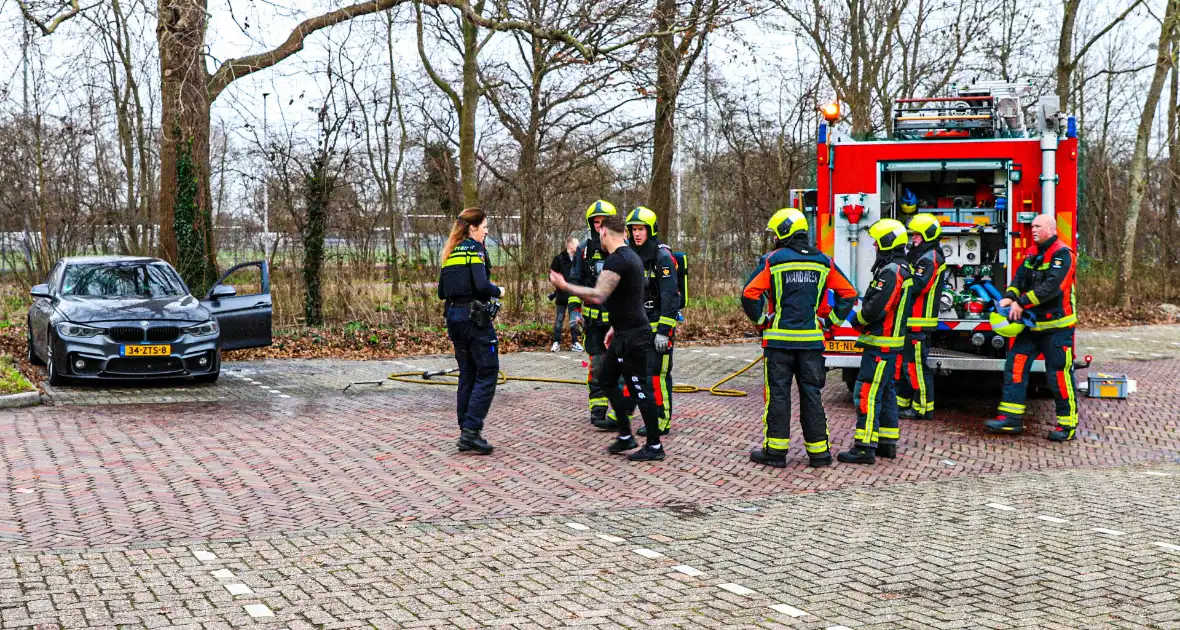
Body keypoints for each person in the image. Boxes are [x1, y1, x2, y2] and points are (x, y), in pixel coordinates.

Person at [741, 208, 857, 468]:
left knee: (779, 396)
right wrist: (831, 324)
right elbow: (848, 293)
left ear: (784, 231)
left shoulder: (773, 260)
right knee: (812, 395)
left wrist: (761, 322)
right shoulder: (823, 261)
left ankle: (776, 452)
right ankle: (819, 454)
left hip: (779, 344)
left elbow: (749, 293)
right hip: (812, 344)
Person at [550, 214, 667, 461]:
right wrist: (615, 326)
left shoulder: (617, 260)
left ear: (604, 232)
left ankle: (655, 446)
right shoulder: (631, 256)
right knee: (606, 379)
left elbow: (597, 295)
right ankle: (625, 435)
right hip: (623, 333)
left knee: (639, 388)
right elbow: (629, 296)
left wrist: (564, 285)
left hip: (634, 336)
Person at [985, 214, 1079, 442]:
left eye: (1037, 226)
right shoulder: (1032, 253)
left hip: (1057, 329)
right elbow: (1019, 279)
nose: (1032, 230)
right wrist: (1009, 297)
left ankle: (1068, 425)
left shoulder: (1062, 254)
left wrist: (1021, 303)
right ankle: (1010, 419)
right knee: (1014, 367)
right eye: (1031, 226)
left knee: (1058, 375)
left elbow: (1052, 287)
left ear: (1051, 229)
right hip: (1031, 327)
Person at [838, 218, 913, 465]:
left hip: (881, 344)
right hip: (889, 345)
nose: (874, 247)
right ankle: (886, 443)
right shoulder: (901, 268)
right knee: (887, 392)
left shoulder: (891, 272)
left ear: (887, 242)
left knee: (867, 392)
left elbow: (875, 309)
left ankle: (864, 447)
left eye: (877, 242)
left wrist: (855, 318)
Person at [607, 207, 680, 437]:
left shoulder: (662, 257)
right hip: (638, 326)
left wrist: (665, 331)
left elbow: (671, 297)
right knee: (632, 370)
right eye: (634, 229)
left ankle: (662, 419)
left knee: (657, 375)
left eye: (641, 229)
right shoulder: (631, 256)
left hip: (659, 326)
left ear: (651, 230)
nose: (637, 234)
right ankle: (624, 412)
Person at [437, 207, 503, 455]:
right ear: (473, 227)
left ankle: (465, 428)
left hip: (454, 317)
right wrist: (498, 291)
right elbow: (482, 284)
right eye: (485, 227)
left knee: (468, 372)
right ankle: (471, 432)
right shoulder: (475, 249)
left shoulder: (451, 251)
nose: (487, 231)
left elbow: (442, 292)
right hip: (474, 318)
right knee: (488, 370)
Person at [568, 200, 617, 429]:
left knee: (620, 367)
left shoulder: (622, 250)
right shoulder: (584, 251)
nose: (599, 227)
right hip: (594, 323)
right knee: (597, 365)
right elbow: (575, 283)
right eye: (595, 223)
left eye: (603, 222)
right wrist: (574, 311)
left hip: (619, 322)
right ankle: (597, 409)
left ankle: (618, 413)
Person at [897, 213, 947, 420]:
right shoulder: (921, 255)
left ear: (927, 235)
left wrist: (899, 280)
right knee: (907, 366)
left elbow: (918, 286)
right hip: (911, 322)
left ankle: (923, 408)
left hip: (919, 321)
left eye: (917, 235)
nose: (913, 238)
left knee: (917, 368)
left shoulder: (929, 258)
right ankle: (903, 404)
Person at [548, 236, 580, 352]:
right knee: (559, 319)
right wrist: (559, 285)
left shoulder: (578, 259)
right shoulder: (559, 259)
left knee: (574, 319)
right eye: (577, 244)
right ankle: (556, 342)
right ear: (570, 245)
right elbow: (551, 275)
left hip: (574, 295)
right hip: (561, 294)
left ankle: (575, 343)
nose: (579, 246)